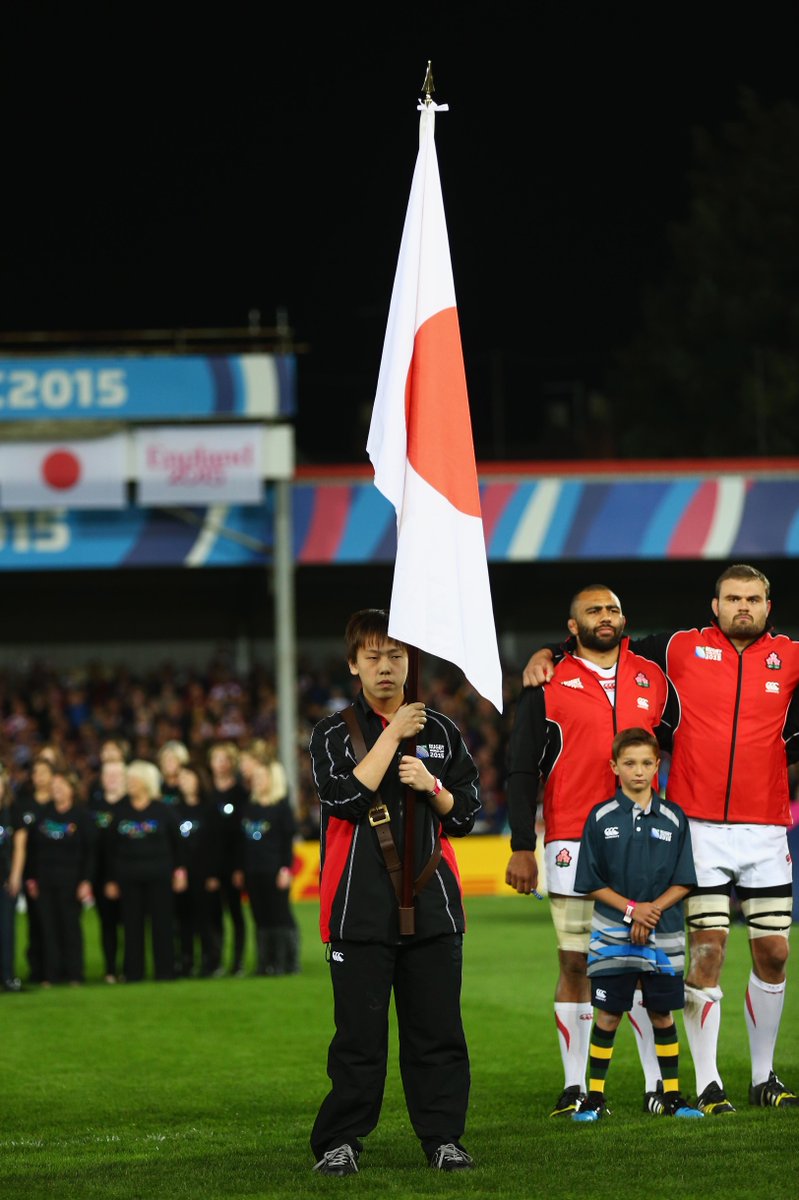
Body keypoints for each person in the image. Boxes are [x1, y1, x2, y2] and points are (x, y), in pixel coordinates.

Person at [523, 563, 799, 1113]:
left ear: (768, 607)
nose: (742, 606)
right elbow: (605, 643)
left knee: (773, 952)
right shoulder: (676, 649)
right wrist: (551, 652)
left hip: (767, 828)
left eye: (753, 599)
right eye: (732, 598)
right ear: (713, 605)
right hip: (698, 828)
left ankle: (765, 1077)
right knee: (708, 952)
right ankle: (708, 1080)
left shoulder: (791, 656)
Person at [308, 608, 480, 1176]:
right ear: (353, 664)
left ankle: (443, 1140)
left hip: (433, 906)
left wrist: (433, 786)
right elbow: (342, 798)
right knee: (358, 1038)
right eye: (374, 656)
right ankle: (341, 1141)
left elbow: (466, 816)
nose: (386, 667)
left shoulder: (445, 731)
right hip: (358, 908)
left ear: (411, 662)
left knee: (438, 1034)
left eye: (396, 655)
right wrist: (394, 738)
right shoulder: (333, 732)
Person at [505, 584, 676, 1118]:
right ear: (572, 626)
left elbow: (685, 749)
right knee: (576, 962)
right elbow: (519, 767)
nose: (606, 616)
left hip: (646, 841)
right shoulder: (547, 681)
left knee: (649, 963)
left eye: (614, 608)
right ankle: (576, 1085)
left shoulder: (654, 675)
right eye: (593, 610)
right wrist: (519, 845)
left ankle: (659, 1087)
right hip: (571, 840)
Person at [572, 728, 702, 1121]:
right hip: (613, 932)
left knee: (663, 1013)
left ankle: (674, 1097)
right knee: (608, 1014)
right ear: (614, 767)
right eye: (629, 763)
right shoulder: (600, 817)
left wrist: (651, 911)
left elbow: (684, 879)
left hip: (663, 932)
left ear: (657, 765)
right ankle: (594, 1098)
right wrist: (632, 910)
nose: (638, 771)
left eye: (646, 762)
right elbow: (590, 881)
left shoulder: (675, 818)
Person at [104, 760, 187, 982]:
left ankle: (165, 971)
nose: (129, 784)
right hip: (128, 877)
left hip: (159, 876)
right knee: (132, 926)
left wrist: (180, 871)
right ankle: (133, 972)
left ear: (146, 782)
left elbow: (179, 843)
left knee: (162, 925)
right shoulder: (119, 811)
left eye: (133, 780)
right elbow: (109, 848)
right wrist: (111, 879)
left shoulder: (163, 811)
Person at [26, 769, 94, 987]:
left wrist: (86, 880)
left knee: (70, 927)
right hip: (45, 879)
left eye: (61, 786)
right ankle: (51, 974)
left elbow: (90, 851)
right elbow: (32, 849)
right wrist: (32, 878)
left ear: (71, 790)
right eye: (54, 787)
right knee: (48, 927)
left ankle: (74, 973)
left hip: (71, 880)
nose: (57, 790)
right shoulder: (43, 815)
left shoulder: (81, 816)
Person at [234, 754, 299, 976]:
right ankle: (264, 964)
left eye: (262, 777)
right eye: (256, 777)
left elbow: (287, 842)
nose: (257, 781)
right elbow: (243, 843)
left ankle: (284, 963)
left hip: (274, 869)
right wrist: (241, 869)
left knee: (278, 916)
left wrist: (285, 869)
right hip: (253, 870)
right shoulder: (249, 807)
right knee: (259, 917)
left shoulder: (281, 808)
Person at [174, 763, 222, 978]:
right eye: (181, 778)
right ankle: (186, 961)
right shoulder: (174, 809)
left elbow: (216, 844)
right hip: (183, 874)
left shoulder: (210, 808)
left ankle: (210, 961)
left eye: (188, 777)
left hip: (205, 874)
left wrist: (213, 874)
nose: (183, 781)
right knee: (184, 920)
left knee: (206, 919)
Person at [207, 741, 249, 977]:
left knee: (235, 914)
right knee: (213, 916)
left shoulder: (241, 794)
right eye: (217, 759)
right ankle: (215, 961)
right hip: (211, 866)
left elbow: (242, 835)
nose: (220, 764)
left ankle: (238, 962)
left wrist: (239, 867)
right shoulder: (208, 793)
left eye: (225, 759)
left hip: (233, 865)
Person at [88, 758, 127, 982]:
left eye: (116, 775)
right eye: (108, 775)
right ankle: (111, 969)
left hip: (127, 874)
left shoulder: (131, 805)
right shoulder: (94, 808)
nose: (112, 779)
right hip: (101, 875)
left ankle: (131, 967)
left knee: (131, 924)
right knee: (107, 924)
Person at [0, 763, 27, 992]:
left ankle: (7, 976)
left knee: (7, 929)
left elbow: (20, 846)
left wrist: (16, 875)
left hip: (5, 879)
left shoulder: (13, 809)